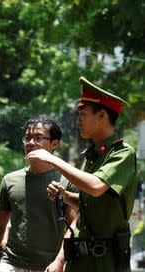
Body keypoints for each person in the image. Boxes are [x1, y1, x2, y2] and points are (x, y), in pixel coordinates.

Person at [29, 77, 137, 271]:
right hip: (79, 260)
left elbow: (96, 187)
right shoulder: (92, 156)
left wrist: (53, 159)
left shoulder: (123, 153)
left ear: (102, 115)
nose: (78, 122)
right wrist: (66, 196)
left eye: (83, 115)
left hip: (106, 263)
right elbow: (91, 204)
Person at [0, 116, 78, 272]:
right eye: (27, 137)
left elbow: (74, 226)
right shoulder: (10, 180)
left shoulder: (68, 181)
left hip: (49, 266)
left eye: (38, 137)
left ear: (55, 143)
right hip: (10, 263)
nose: (30, 143)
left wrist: (60, 261)